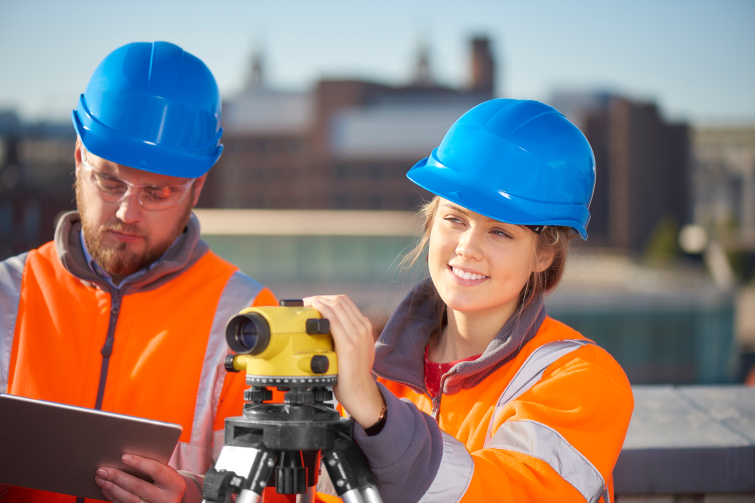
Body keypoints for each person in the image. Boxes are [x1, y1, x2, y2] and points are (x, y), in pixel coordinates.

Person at [306, 99, 634, 503]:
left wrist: (379, 416)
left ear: (544, 254)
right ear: (430, 220)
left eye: (499, 232)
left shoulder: (581, 380)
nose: (467, 248)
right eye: (455, 219)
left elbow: (503, 493)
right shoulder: (375, 372)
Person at [0, 42, 277, 503]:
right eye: (109, 181)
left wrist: (193, 499)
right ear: (78, 158)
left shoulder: (249, 318)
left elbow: (275, 493)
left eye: (158, 192)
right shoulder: (7, 293)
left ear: (197, 187)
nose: (128, 211)